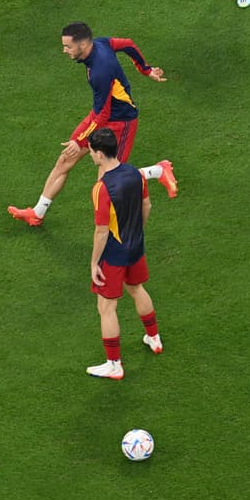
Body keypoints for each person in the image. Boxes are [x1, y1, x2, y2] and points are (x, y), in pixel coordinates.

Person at [8, 22, 176, 227]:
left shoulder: (100, 71)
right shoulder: (100, 44)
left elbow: (103, 115)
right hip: (100, 115)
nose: (64, 50)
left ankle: (159, 170)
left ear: (83, 45)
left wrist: (80, 140)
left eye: (68, 46)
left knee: (107, 184)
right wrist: (145, 69)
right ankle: (37, 212)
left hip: (121, 123)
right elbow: (128, 44)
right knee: (64, 160)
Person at [85, 128, 163, 381]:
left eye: (91, 152)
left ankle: (114, 364)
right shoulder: (136, 173)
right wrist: (135, 233)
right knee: (137, 288)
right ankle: (154, 337)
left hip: (114, 253)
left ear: (98, 153)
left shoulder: (102, 188)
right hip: (135, 245)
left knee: (106, 307)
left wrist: (95, 261)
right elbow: (147, 206)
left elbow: (101, 230)